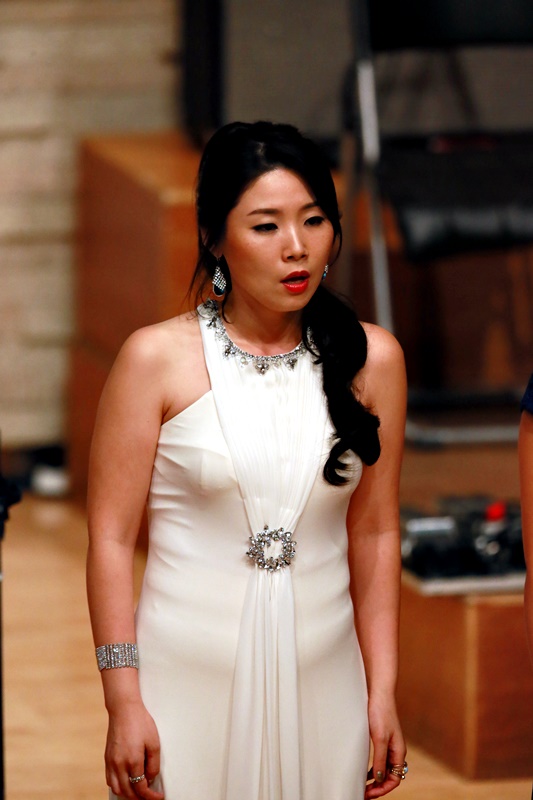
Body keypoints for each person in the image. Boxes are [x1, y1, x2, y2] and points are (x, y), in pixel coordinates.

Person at [86, 120, 408, 800]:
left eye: (313, 220)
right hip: (183, 687)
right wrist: (122, 699)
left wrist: (381, 691)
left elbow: (376, 533)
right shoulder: (154, 360)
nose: (296, 247)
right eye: (266, 226)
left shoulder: (373, 360)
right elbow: (110, 540)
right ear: (214, 237)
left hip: (326, 685)